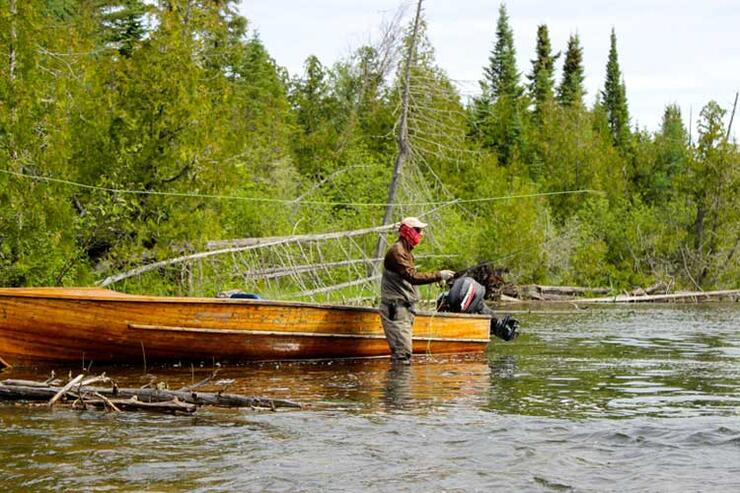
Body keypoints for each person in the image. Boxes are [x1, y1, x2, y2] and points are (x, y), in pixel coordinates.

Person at [379, 217, 455, 365]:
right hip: (395, 310)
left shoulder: (406, 251)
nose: (421, 234)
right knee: (402, 356)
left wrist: (438, 278)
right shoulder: (397, 252)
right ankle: (399, 387)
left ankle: (401, 387)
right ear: (408, 231)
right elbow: (412, 277)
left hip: (404, 310)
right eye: (418, 230)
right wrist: (439, 275)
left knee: (404, 355)